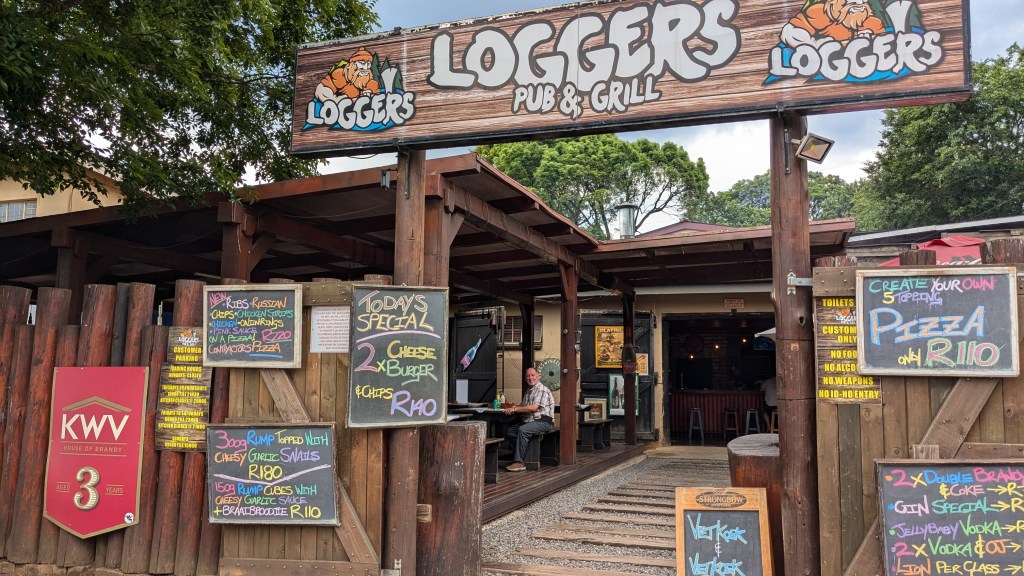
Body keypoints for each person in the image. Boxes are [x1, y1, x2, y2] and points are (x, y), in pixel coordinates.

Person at [502, 367, 555, 472]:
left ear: (538, 376)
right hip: (531, 421)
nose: (530, 378)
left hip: (543, 421)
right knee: (510, 431)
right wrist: (512, 408)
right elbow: (523, 405)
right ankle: (521, 455)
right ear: (525, 378)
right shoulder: (529, 390)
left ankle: (519, 462)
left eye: (532, 375)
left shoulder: (542, 389)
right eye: (528, 376)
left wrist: (515, 409)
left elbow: (534, 408)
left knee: (523, 429)